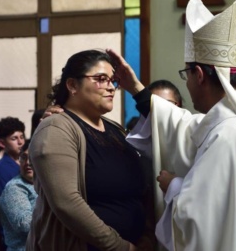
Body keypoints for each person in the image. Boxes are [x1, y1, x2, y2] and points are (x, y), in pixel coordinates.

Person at [111, 0, 236, 250]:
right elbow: (184, 125)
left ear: (199, 74)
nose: (185, 83)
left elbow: (198, 218)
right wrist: (137, 90)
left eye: (186, 74)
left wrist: (173, 185)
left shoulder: (226, 135)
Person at [27, 49, 153, 251]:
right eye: (101, 79)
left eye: (113, 80)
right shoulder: (56, 128)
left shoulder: (115, 129)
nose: (110, 87)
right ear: (72, 85)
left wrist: (147, 236)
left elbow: (140, 190)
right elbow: (67, 203)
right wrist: (120, 246)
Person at [0, 144, 37, 251]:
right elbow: (25, 224)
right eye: (23, 158)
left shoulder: (46, 184)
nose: (28, 163)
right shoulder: (14, 187)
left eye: (33, 157)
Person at [0, 117, 26, 200]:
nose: (20, 142)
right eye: (14, 138)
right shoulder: (0, 169)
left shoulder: (28, 162)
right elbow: (5, 201)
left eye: (22, 137)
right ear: (2, 143)